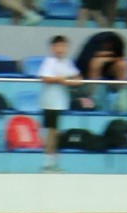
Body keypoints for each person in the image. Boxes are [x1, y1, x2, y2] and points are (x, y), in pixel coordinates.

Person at [38, 36, 83, 172]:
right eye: (57, 46)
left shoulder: (67, 62)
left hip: (61, 102)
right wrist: (60, 80)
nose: (60, 49)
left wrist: (72, 82)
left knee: (56, 132)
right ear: (52, 48)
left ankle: (53, 162)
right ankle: (47, 163)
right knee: (51, 131)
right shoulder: (49, 62)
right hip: (50, 102)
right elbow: (45, 78)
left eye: (63, 46)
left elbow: (78, 78)